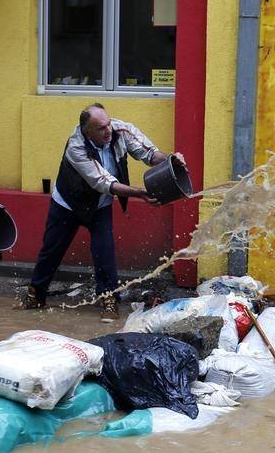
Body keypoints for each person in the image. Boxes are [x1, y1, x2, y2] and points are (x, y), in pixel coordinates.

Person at [24, 104, 184, 318]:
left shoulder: (121, 130)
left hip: (100, 205)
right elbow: (104, 182)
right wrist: (140, 193)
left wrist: (171, 161)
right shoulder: (76, 147)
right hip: (68, 204)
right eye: (100, 128)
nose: (108, 130)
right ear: (86, 131)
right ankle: (36, 295)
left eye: (108, 124)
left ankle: (109, 299)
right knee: (51, 251)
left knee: (104, 252)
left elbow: (149, 154)